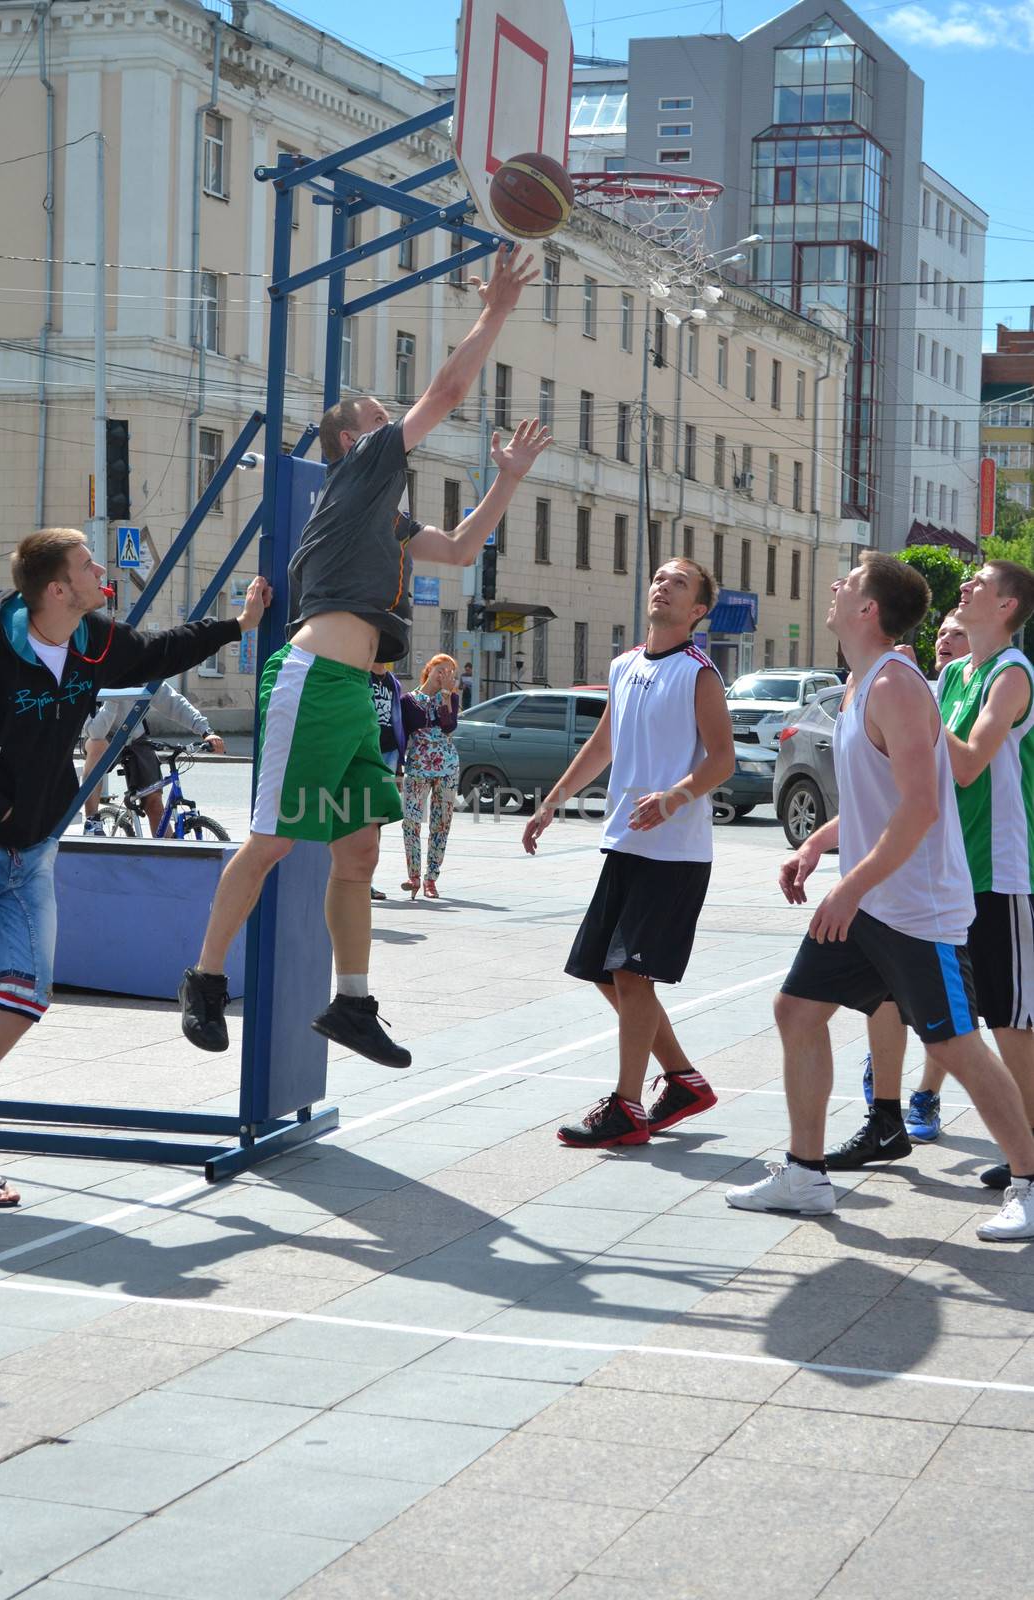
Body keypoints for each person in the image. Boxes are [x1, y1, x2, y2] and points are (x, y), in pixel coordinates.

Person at [178, 244, 550, 1069]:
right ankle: (203, 978)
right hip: (311, 681)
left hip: (357, 690)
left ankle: (352, 1006)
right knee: (272, 840)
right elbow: (448, 391)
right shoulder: (359, 470)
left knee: (360, 852)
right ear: (353, 438)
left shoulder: (378, 519)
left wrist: (510, 478)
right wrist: (492, 311)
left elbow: (456, 549)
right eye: (384, 417)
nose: (398, 426)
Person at [725, 553, 1034, 1241]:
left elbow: (922, 807)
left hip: (915, 907)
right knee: (796, 1010)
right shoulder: (863, 681)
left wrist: (850, 887)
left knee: (955, 1043)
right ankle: (805, 1176)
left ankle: (1028, 1180)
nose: (833, 588)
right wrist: (816, 845)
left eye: (847, 583)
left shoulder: (895, 684)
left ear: (868, 610)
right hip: (871, 898)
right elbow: (879, 799)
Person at [0, 529, 268, 1207]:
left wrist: (235, 625)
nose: (102, 572)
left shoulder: (92, 639)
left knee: (22, 1000)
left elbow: (160, 649)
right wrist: (3, 815)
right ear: (56, 590)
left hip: (35, 846)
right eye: (88, 565)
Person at [522, 558, 734, 1148]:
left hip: (674, 853)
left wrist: (674, 797)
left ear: (696, 611)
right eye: (659, 577)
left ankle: (627, 1106)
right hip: (623, 842)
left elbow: (722, 759)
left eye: (680, 583)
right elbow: (604, 743)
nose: (663, 584)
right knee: (604, 973)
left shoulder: (699, 673)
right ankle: (683, 1081)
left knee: (630, 973)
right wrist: (552, 802)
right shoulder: (623, 665)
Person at [853, 563, 1034, 1192]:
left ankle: (1030, 1166)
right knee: (945, 1014)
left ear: (1007, 604)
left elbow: (967, 766)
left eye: (980, 583)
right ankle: (893, 1115)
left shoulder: (1011, 676)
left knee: (1010, 1022)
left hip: (1004, 872)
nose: (967, 586)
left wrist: (917, 697)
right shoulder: (955, 673)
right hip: (953, 873)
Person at [838, 609, 970, 1167]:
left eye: (956, 633)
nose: (944, 640)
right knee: (807, 1007)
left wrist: (922, 712)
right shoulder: (886, 681)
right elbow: (875, 799)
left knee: (961, 1032)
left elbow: (957, 774)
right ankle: (885, 1117)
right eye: (940, 631)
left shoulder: (991, 679)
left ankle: (935, 1099)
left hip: (955, 875)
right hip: (884, 882)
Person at [81, 681, 225, 837]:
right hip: (102, 735)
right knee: (97, 745)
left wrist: (206, 731)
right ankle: (92, 821)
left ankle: (168, 855)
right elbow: (96, 732)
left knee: (154, 803)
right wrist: (113, 700)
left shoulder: (146, 674)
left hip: (135, 736)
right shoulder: (98, 674)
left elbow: (174, 703)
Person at [401, 654, 460, 900]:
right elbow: (402, 733)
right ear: (429, 669)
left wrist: (446, 696)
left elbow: (448, 726)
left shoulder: (451, 698)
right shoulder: (408, 700)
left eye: (450, 672)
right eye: (440, 669)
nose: (444, 674)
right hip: (416, 766)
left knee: (441, 824)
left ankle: (431, 879)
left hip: (446, 767)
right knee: (410, 821)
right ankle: (413, 876)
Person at [369, 662, 426, 900]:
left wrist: (400, 767)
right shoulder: (362, 676)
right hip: (367, 750)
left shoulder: (393, 682)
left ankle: (366, 880)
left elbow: (398, 722)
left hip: (390, 753)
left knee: (376, 820)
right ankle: (351, 877)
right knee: (358, 816)